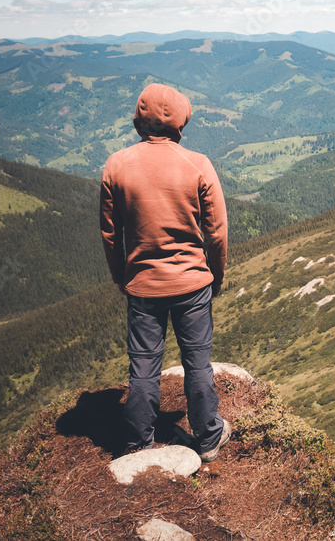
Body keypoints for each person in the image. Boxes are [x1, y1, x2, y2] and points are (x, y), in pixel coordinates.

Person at [100, 82, 231, 461]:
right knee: (197, 362)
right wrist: (215, 276)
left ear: (139, 120)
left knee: (143, 367)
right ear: (180, 122)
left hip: (143, 286)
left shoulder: (116, 165)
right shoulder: (198, 164)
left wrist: (120, 276)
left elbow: (111, 234)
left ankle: (140, 443)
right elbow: (217, 233)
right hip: (192, 284)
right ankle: (207, 437)